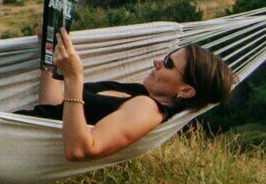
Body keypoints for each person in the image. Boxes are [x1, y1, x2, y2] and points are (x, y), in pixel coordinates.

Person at [33, 38, 232, 160]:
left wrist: (74, 78)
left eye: (168, 63)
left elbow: (80, 150)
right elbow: (52, 109)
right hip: (18, 128)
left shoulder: (148, 109)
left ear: (186, 91)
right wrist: (49, 53)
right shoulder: (137, 92)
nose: (157, 62)